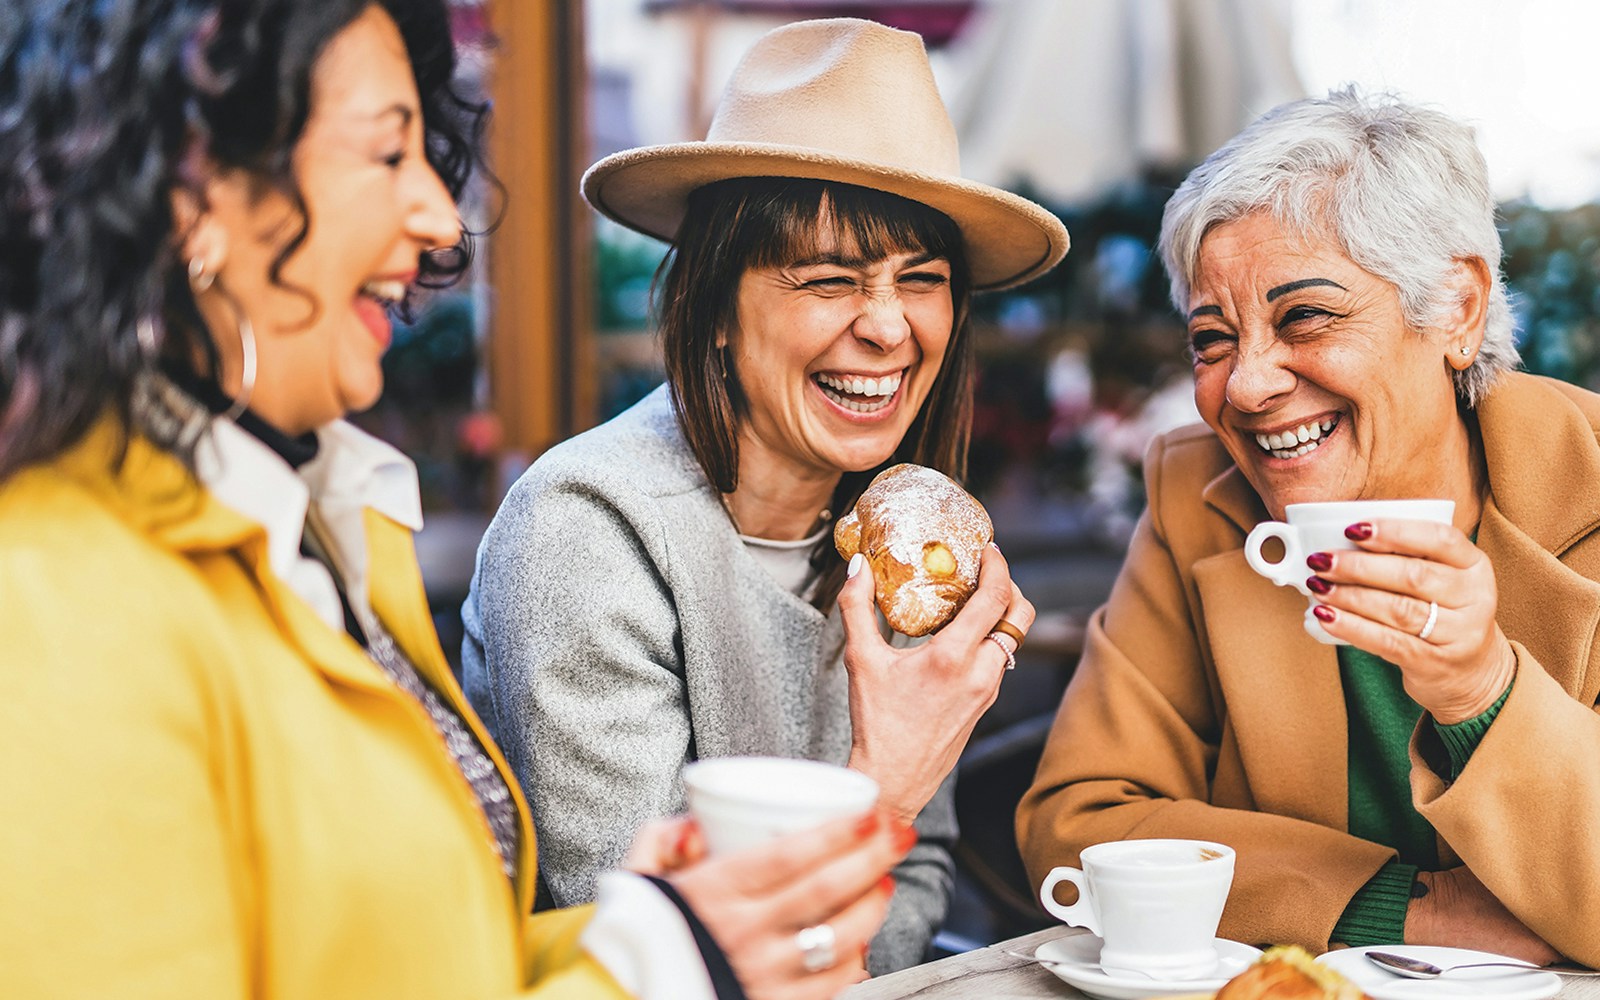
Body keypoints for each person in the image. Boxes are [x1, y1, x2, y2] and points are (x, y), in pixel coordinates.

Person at [0, 3, 914, 998]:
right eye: (388, 154)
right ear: (191, 190)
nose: (441, 214)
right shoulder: (58, 600)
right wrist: (667, 967)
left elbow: (414, 966)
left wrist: (653, 932)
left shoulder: (323, 523)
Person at [462, 17, 1066, 973]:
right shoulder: (584, 529)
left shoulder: (901, 539)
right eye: (829, 278)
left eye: (925, 279)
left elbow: (918, 891)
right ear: (712, 310)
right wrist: (889, 785)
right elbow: (654, 955)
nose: (887, 326)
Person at [1018, 88, 1600, 968]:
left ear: (1457, 309)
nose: (1245, 387)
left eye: (1306, 317)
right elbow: (1080, 828)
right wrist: (1403, 908)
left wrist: (1481, 690)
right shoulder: (1197, 495)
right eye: (1212, 339)